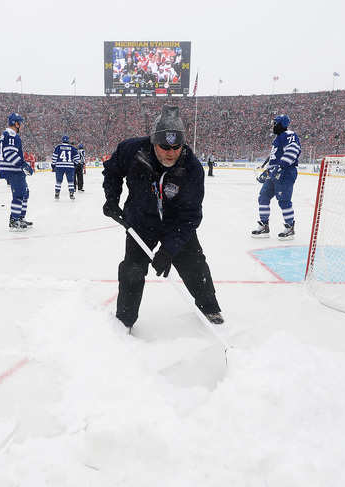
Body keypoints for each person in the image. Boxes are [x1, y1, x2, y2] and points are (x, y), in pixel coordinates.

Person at [102, 105, 223, 328]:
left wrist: (169, 250)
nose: (171, 152)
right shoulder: (132, 151)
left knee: (195, 265)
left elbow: (190, 216)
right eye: (164, 146)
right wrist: (112, 198)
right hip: (140, 222)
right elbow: (112, 170)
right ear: (153, 142)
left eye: (176, 146)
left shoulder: (192, 168)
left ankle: (210, 307)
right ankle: (125, 320)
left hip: (175, 225)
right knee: (132, 271)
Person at [251, 114, 301, 240]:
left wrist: (280, 167)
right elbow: (274, 157)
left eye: (275, 123)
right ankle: (264, 225)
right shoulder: (278, 138)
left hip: (286, 172)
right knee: (263, 197)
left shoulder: (289, 135)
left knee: (284, 200)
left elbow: (293, 150)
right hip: (274, 172)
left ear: (281, 124)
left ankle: (290, 228)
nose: (273, 126)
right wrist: (268, 170)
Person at [0, 112, 33, 231]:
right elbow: (9, 153)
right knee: (19, 194)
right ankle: (14, 220)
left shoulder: (9, 134)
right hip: (13, 169)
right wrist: (22, 164)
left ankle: (20, 217)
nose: (22, 125)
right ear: (16, 123)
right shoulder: (11, 134)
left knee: (25, 192)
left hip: (13, 168)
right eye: (20, 123)